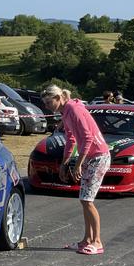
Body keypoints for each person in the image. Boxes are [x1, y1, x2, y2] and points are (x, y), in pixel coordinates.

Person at [42, 84, 111, 255]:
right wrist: (65, 164)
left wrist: (78, 163)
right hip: (90, 156)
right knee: (84, 199)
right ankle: (86, 239)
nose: (47, 107)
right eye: (45, 104)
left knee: (88, 200)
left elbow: (87, 138)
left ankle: (97, 242)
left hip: (98, 156)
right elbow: (71, 139)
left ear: (58, 98)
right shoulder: (65, 112)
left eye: (49, 103)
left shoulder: (73, 108)